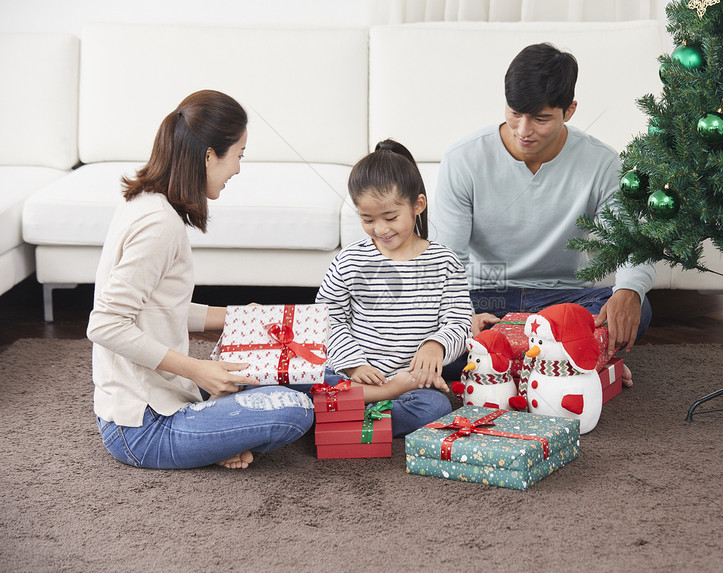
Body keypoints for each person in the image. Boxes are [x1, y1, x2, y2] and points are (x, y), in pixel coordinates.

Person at [87, 90, 313, 470]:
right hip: (143, 427)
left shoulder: (148, 202)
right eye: (238, 155)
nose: (238, 168)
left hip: (166, 398)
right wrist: (199, 369)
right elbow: (105, 324)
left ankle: (219, 433)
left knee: (300, 369)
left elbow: (157, 309)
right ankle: (216, 436)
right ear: (210, 155)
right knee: (294, 409)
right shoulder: (158, 224)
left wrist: (237, 317)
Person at [434, 43, 656, 387]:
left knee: (635, 307)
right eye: (515, 113)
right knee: (433, 330)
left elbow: (631, 243)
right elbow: (447, 261)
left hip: (565, 298)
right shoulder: (462, 159)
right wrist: (464, 315)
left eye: (540, 119)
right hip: (487, 294)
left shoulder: (603, 163)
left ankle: (506, 358)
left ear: (569, 111)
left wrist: (629, 292)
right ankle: (575, 359)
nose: (523, 130)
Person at [315, 139, 472, 436]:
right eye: (367, 219)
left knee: (435, 409)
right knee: (305, 379)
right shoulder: (351, 259)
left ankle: (337, 415)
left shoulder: (444, 261)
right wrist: (351, 366)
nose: (381, 229)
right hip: (354, 376)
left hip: (411, 384)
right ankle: (361, 403)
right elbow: (328, 316)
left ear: (418, 206)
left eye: (390, 218)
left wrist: (435, 345)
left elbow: (460, 321)